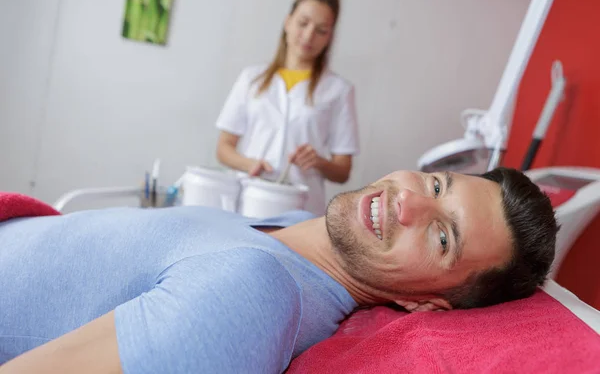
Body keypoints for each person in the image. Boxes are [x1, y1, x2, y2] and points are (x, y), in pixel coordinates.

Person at [0, 167, 558, 373]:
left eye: (442, 237)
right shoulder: (287, 225)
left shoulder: (251, 300)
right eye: (437, 185)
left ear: (427, 303)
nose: (409, 204)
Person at [215, 0, 360, 216]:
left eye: (321, 30)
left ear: (329, 37)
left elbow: (342, 171)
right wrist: (250, 164)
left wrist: (319, 162)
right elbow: (223, 148)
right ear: (288, 22)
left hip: (300, 211)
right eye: (303, 23)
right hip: (248, 202)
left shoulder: (338, 90)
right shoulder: (251, 78)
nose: (309, 35)